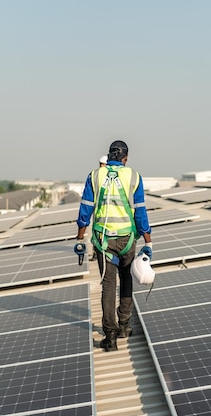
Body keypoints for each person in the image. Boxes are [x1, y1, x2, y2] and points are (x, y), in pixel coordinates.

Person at [75, 140, 152, 352]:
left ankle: (110, 337)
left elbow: (86, 209)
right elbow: (140, 211)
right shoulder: (134, 176)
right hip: (128, 239)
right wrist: (148, 240)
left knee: (108, 286)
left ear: (108, 157)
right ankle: (125, 325)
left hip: (103, 241)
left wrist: (80, 237)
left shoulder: (95, 176)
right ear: (125, 159)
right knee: (126, 279)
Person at [89, 155, 109, 261]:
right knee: (97, 234)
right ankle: (96, 252)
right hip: (98, 212)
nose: (102, 166)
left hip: (105, 214)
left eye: (103, 164)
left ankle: (99, 252)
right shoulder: (97, 176)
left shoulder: (98, 176)